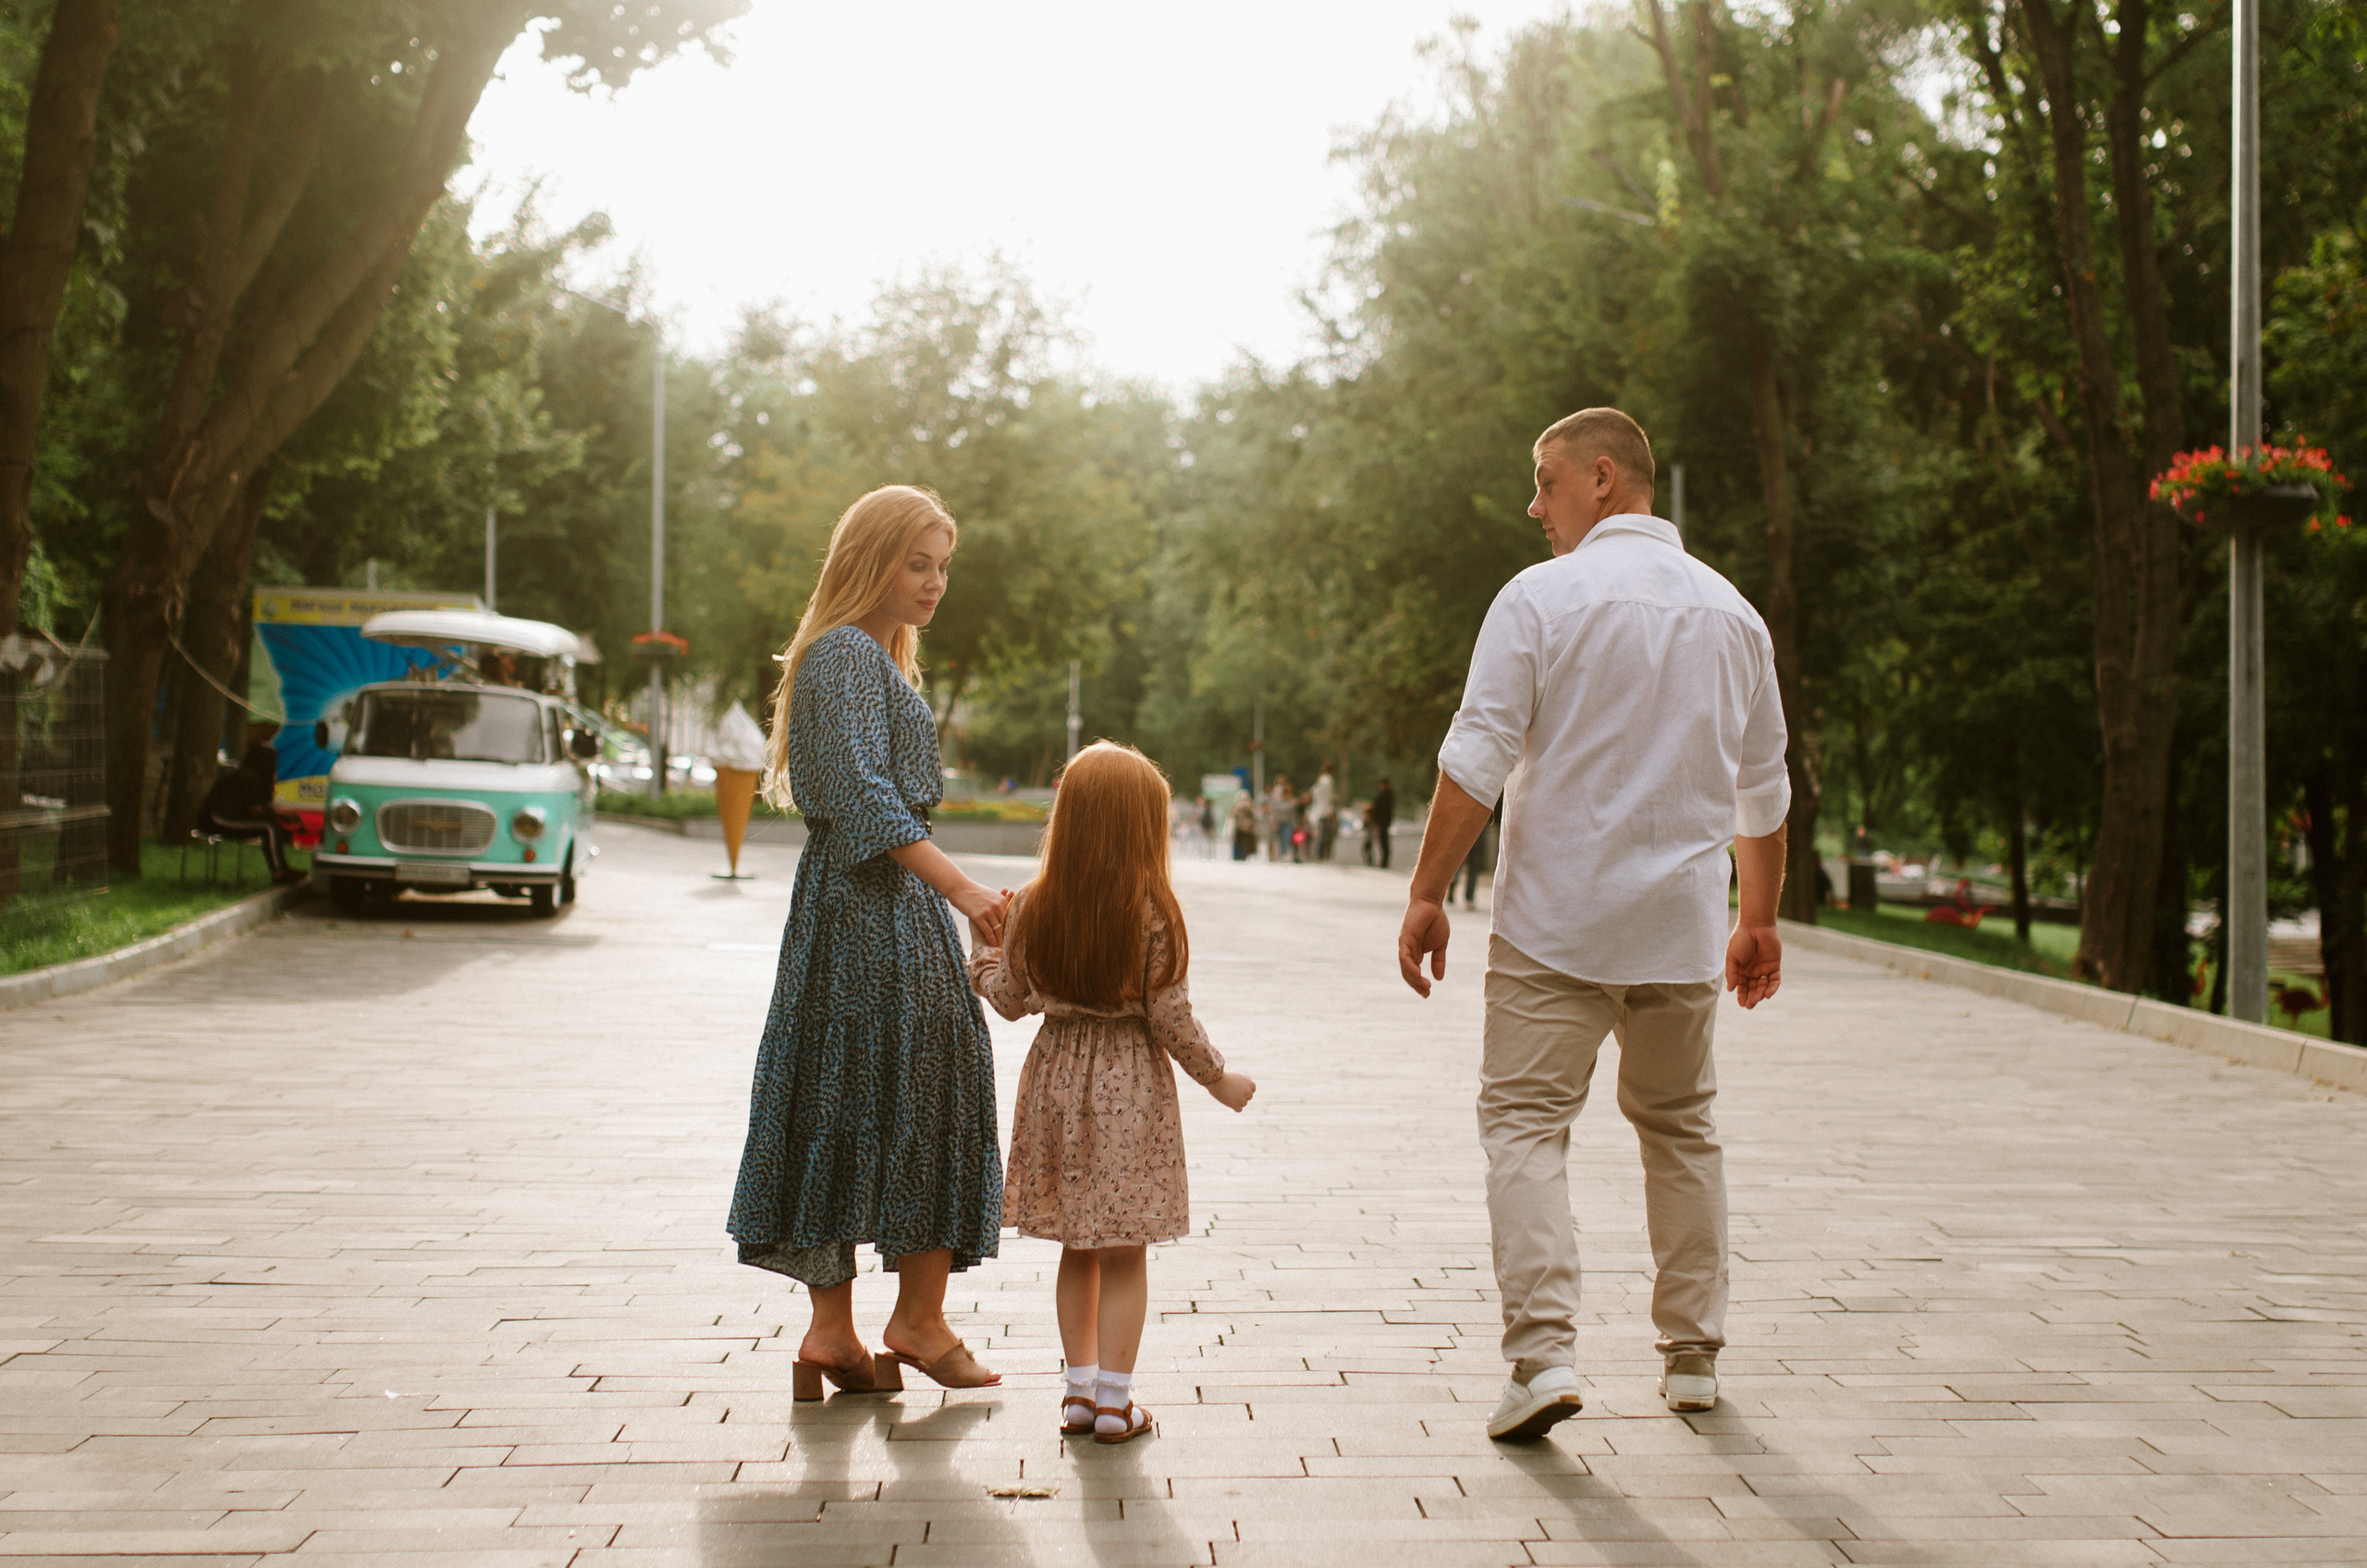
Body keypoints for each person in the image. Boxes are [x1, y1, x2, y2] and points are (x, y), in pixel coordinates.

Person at [1395, 407, 1789, 1443]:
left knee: (1525, 1127)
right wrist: (1758, 920)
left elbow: (1477, 753)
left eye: (1545, 481)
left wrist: (1427, 890)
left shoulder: (1541, 598)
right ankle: (1693, 1357)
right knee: (1681, 1128)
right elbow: (1764, 792)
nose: (1535, 506)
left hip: (1553, 927)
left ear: (1602, 478)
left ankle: (1543, 1357)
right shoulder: (1734, 615)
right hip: (1678, 927)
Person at [727, 484, 1012, 1401]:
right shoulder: (847, 652)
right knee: (932, 1084)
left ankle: (831, 1335)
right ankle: (915, 1322)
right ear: (867, 560)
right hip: (872, 909)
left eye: (942, 567)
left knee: (840, 1094)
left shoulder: (858, 656)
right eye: (914, 562)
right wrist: (963, 888)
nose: (933, 583)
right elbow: (859, 795)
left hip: (851, 908)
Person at [971, 741, 1257, 1444]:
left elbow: (1010, 1000)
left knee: (1078, 1244)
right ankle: (1115, 1401)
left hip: (1057, 1079)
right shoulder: (1154, 909)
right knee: (1125, 1247)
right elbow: (1170, 1016)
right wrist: (1221, 1078)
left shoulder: (1035, 904)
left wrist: (980, 952)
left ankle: (1076, 1394)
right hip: (1130, 1081)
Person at [198, 727, 303, 886]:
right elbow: (255, 810)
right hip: (217, 818)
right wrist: (279, 814)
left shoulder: (248, 775)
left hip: (223, 817)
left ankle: (282, 869)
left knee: (270, 825)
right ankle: (280, 872)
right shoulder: (250, 779)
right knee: (268, 827)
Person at [1458, 797, 1502, 909]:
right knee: (1461, 861)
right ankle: (1459, 889)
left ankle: (1469, 896)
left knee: (1474, 863)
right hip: (1468, 825)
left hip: (1477, 827)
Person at [1311, 765, 1338, 863]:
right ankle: (1324, 855)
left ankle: (1320, 855)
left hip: (1320, 811)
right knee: (1326, 835)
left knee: (1323, 834)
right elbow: (1329, 797)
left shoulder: (1320, 780)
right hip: (1326, 811)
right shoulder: (1329, 780)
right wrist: (1331, 810)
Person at [1370, 776, 1397, 870]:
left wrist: (1376, 820)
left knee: (1383, 841)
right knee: (1384, 841)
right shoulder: (1389, 794)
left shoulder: (1384, 795)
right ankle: (1384, 861)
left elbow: (1380, 809)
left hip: (1382, 821)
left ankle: (1384, 862)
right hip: (1385, 821)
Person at [1229, 792, 1257, 862]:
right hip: (1248, 827)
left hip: (1240, 827)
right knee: (1248, 843)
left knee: (1241, 843)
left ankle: (1240, 856)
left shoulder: (1237, 805)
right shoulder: (1250, 804)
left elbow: (1233, 815)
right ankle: (1248, 856)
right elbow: (1255, 814)